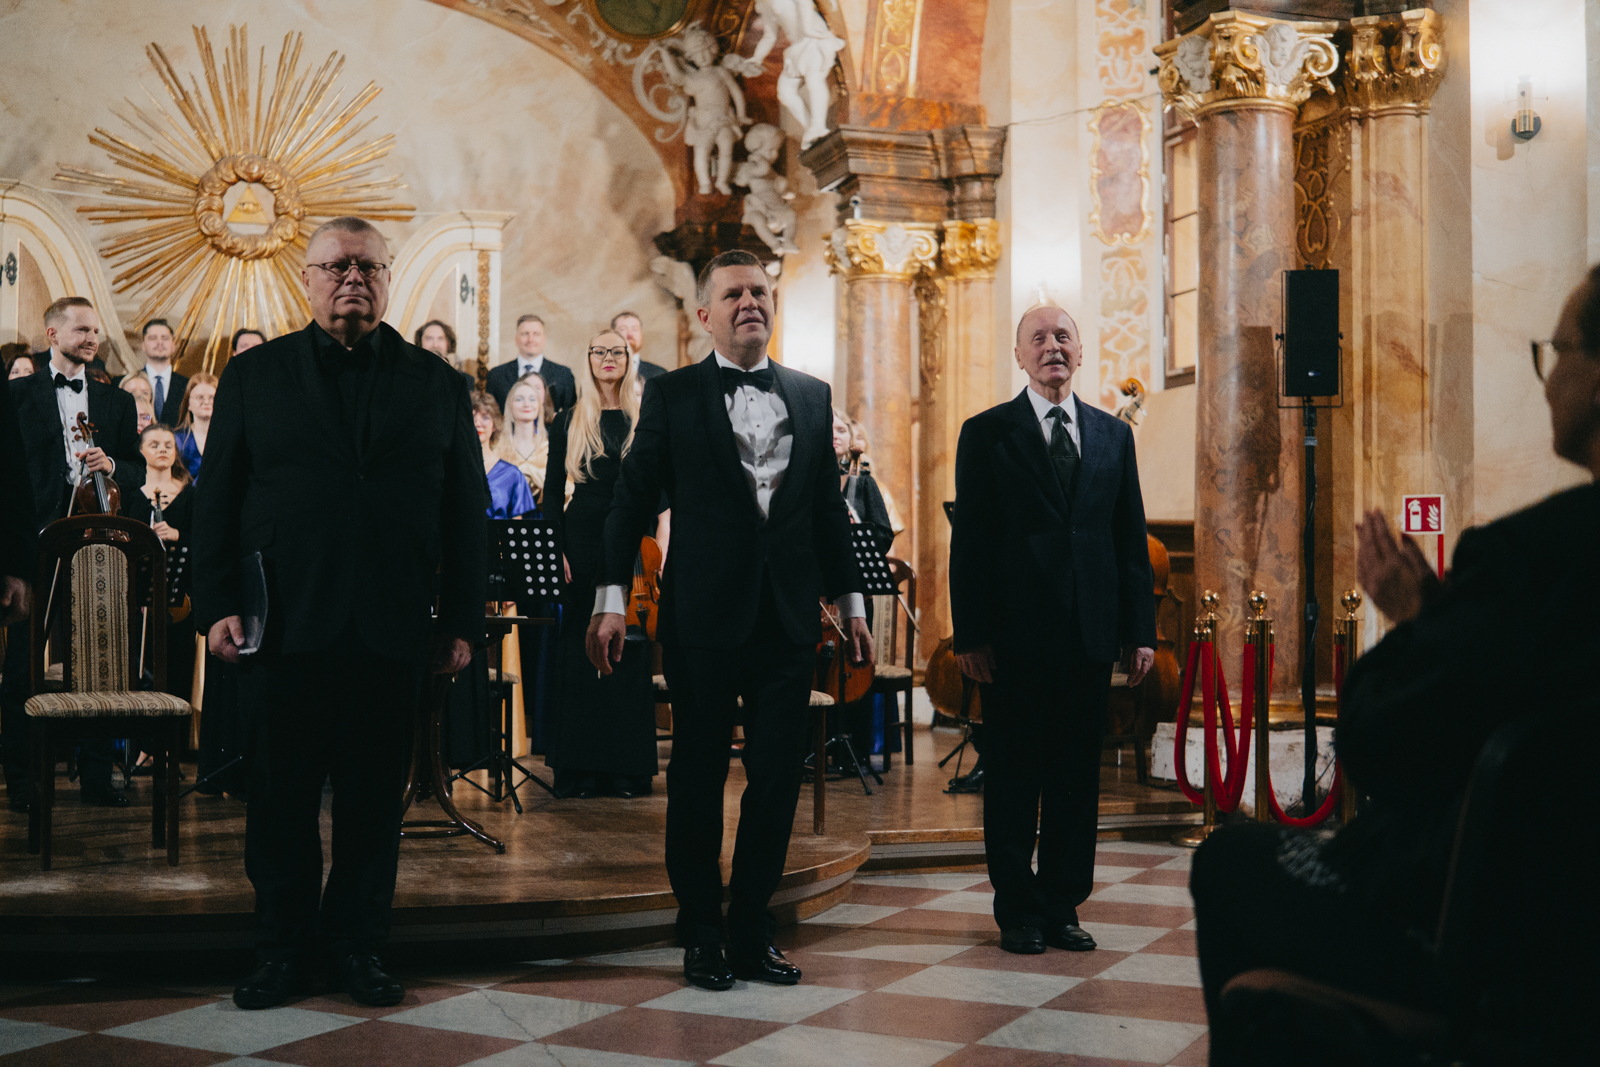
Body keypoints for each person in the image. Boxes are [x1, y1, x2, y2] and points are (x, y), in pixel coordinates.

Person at [1190, 272, 1600, 1064]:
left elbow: (1380, 741)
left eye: (1559, 351)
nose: (1549, 378)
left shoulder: (1530, 554)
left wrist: (1420, 616)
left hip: (1492, 944)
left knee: (1231, 860)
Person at [193, 216, 485, 1011]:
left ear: (389, 281)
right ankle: (282, 950)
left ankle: (360, 945)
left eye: (368, 266)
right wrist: (216, 604)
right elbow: (215, 498)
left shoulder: (436, 382)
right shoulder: (255, 376)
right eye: (335, 266)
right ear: (306, 279)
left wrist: (460, 618)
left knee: (370, 803)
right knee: (281, 800)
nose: (351, 278)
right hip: (281, 624)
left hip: (393, 625)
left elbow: (466, 513)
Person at [588, 249, 870, 991]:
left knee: (777, 775)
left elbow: (824, 514)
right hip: (701, 614)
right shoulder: (673, 395)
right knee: (699, 772)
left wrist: (852, 600)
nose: (751, 301)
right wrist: (611, 599)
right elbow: (631, 498)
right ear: (705, 315)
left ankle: (751, 925)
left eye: (760, 291)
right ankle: (701, 928)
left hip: (785, 616)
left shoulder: (812, 395)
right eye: (733, 293)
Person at [949, 304, 1156, 957]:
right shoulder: (986, 434)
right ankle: (1017, 909)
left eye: (1062, 335)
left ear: (1081, 351)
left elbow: (1129, 541)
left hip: (1090, 635)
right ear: (1020, 356)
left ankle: (1063, 902)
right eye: (1037, 338)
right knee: (1013, 775)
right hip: (1011, 639)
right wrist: (971, 633)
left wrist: (1140, 630)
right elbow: (972, 543)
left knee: (1074, 777)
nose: (1052, 346)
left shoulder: (1112, 436)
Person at [3, 296, 145, 812]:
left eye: (96, 331)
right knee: (23, 663)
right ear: (51, 334)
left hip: (96, 543)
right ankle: (20, 777)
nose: (92, 338)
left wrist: (111, 464)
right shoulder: (17, 394)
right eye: (81, 330)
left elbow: (135, 469)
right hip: (35, 541)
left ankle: (97, 774)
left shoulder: (117, 403)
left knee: (98, 658)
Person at [545, 330, 656, 800]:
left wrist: (658, 542)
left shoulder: (645, 417)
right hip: (582, 537)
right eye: (599, 351)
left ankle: (626, 769)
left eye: (617, 351)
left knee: (628, 654)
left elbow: (661, 489)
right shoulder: (570, 418)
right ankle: (580, 768)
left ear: (629, 359)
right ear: (588, 359)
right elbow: (552, 493)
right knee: (579, 649)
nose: (608, 358)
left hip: (632, 539)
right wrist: (557, 550)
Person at [122, 423, 197, 768]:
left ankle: (171, 750)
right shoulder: (131, 493)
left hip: (179, 602)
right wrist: (145, 538)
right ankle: (142, 747)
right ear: (141, 451)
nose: (163, 449)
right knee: (141, 673)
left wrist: (178, 533)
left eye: (169, 444)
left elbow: (204, 539)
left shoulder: (190, 492)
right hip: (138, 601)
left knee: (177, 670)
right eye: (155, 444)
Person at [832, 408, 893, 554]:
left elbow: (884, 533)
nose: (835, 436)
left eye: (841, 430)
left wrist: (861, 535)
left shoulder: (864, 481)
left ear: (850, 438)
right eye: (830, 430)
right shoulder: (812, 480)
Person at [487, 314, 576, 414]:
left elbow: (571, 416)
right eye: (525, 334)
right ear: (516, 339)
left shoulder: (563, 374)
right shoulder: (496, 375)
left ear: (544, 339)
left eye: (536, 334)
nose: (530, 339)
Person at [471, 391, 536, 519]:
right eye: (472, 417)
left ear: (494, 424)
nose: (478, 423)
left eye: (485, 417)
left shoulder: (512, 474)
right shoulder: (455, 469)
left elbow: (517, 526)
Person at [119, 319, 188, 425]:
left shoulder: (188, 386)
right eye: (153, 338)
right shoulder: (124, 383)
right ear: (143, 345)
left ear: (173, 345)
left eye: (165, 338)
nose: (159, 342)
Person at [496, 373, 552, 503]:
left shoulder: (549, 448)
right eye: (519, 399)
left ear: (539, 405)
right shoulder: (497, 449)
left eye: (532, 399)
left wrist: (530, 472)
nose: (526, 404)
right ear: (510, 405)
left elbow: (568, 487)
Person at [172, 373, 217, 483]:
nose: (206, 402)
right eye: (200, 397)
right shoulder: (176, 439)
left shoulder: (229, 438)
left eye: (212, 397)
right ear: (188, 404)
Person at [610, 311, 670, 381]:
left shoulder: (659, 374)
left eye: (634, 329)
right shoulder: (600, 372)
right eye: (623, 329)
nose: (630, 334)